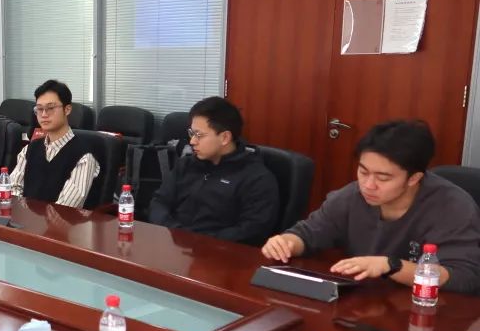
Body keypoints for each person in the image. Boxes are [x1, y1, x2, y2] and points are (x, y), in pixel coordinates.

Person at [262, 120, 480, 293]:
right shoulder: (352, 196)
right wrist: (287, 242)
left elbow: (464, 277)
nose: (368, 185)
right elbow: (308, 233)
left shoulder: (452, 206)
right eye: (363, 171)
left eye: (383, 178)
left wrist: (392, 266)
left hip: (429, 311)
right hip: (366, 302)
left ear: (414, 178)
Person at [148, 96, 279, 245]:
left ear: (225, 138)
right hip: (174, 244)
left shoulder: (256, 178)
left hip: (218, 253)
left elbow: (252, 231)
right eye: (191, 133)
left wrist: (197, 241)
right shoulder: (186, 164)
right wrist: (176, 232)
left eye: (199, 135)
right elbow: (159, 202)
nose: (192, 141)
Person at [8, 79, 101, 208]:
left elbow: (65, 208)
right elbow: (13, 189)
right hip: (25, 218)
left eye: (50, 108)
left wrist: (30, 216)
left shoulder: (84, 157)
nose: (44, 114)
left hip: (62, 220)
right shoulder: (29, 149)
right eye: (39, 109)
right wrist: (23, 213)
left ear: (67, 109)